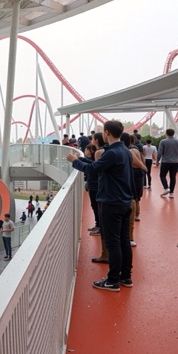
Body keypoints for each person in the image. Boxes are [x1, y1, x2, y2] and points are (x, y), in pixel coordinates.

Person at [69, 119, 135, 290]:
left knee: (113, 243)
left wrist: (75, 161)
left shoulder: (112, 153)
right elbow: (98, 166)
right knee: (123, 241)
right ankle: (125, 277)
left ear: (107, 133)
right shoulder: (125, 151)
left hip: (111, 202)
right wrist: (81, 159)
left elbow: (92, 170)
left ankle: (113, 280)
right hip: (124, 201)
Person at [159, 127, 178, 196]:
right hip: (175, 162)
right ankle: (171, 193)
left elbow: (160, 152)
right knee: (173, 177)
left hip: (165, 161)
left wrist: (157, 160)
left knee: (162, 175)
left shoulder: (163, 141)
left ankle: (166, 188)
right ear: (174, 133)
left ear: (166, 133)